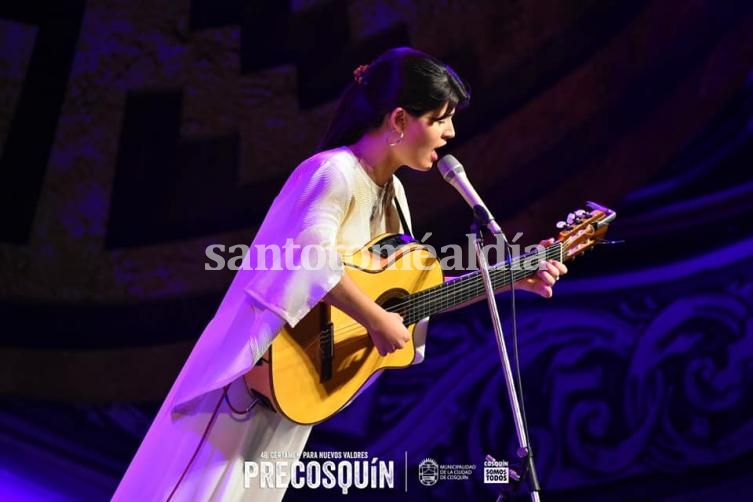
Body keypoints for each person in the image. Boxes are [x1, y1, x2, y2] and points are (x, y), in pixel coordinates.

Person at [113, 47, 567, 502]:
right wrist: (373, 317)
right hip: (250, 373)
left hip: (304, 381)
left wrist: (507, 278)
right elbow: (310, 259)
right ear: (399, 120)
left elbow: (406, 301)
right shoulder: (334, 173)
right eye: (439, 119)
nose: (450, 133)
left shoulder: (395, 196)